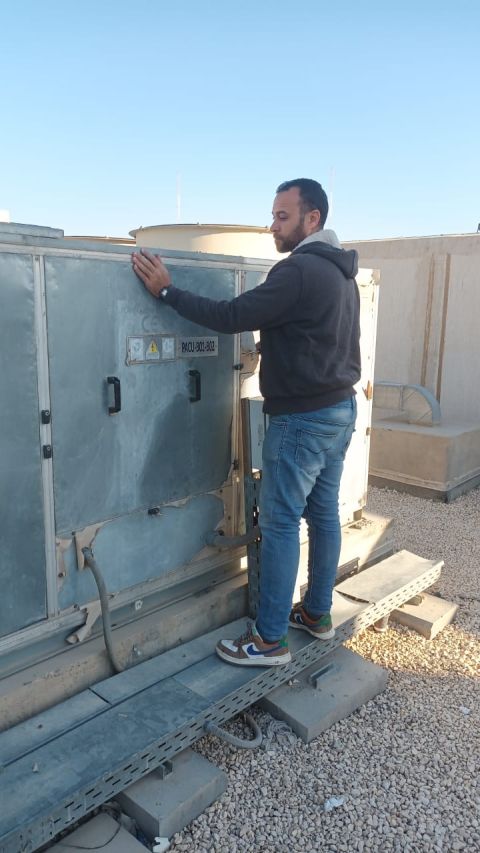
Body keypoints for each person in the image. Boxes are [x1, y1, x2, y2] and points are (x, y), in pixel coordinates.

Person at [132, 178, 360, 668]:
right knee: (323, 516)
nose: (272, 225)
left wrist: (166, 290)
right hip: (339, 411)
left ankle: (269, 640)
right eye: (273, 215)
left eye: (282, 216)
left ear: (312, 219)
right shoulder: (342, 274)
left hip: (300, 419)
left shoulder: (297, 271)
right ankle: (317, 613)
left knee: (279, 524)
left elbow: (232, 314)